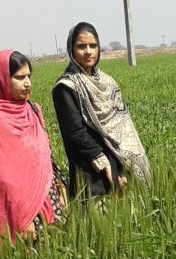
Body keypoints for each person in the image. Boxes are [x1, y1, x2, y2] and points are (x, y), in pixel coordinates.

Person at [0, 50, 66, 243]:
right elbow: (0, 177)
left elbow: (44, 156)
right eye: (19, 77)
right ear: (1, 79)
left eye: (28, 76)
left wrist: (60, 186)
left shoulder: (33, 109)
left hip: (48, 200)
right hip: (20, 211)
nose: (27, 83)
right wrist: (20, 219)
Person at [52, 22, 150, 198]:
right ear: (71, 49)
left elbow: (122, 126)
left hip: (120, 164)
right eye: (81, 46)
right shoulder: (65, 87)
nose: (88, 51)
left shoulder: (108, 83)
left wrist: (122, 167)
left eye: (93, 45)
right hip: (90, 171)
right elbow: (77, 134)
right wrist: (106, 167)